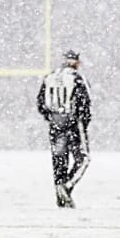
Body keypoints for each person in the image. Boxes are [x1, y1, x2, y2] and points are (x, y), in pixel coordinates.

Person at [36, 50, 92, 208]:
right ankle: (66, 187)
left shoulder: (50, 77)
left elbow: (40, 102)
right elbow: (85, 103)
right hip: (73, 122)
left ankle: (61, 197)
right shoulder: (77, 78)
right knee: (83, 159)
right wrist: (81, 122)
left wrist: (51, 117)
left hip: (55, 122)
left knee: (59, 160)